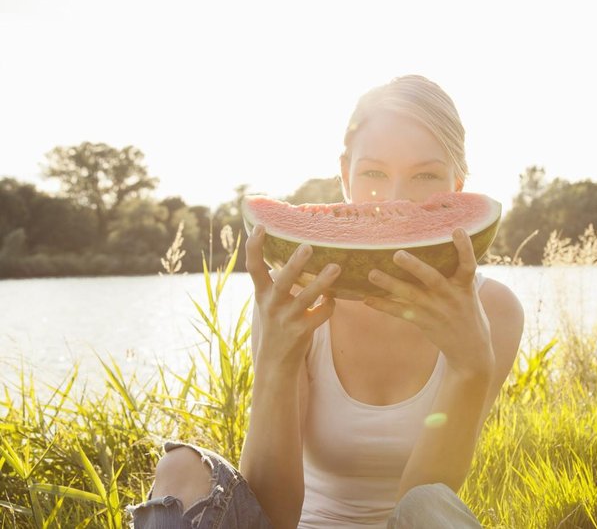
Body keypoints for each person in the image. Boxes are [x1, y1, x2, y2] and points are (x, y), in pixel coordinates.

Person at [126, 75, 525, 528]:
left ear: (457, 185)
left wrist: (471, 366)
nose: (394, 201)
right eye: (374, 172)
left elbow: (422, 506)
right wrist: (278, 358)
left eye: (425, 176)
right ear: (345, 174)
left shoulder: (494, 312)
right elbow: (271, 515)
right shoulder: (292, 301)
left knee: (431, 508)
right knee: (180, 466)